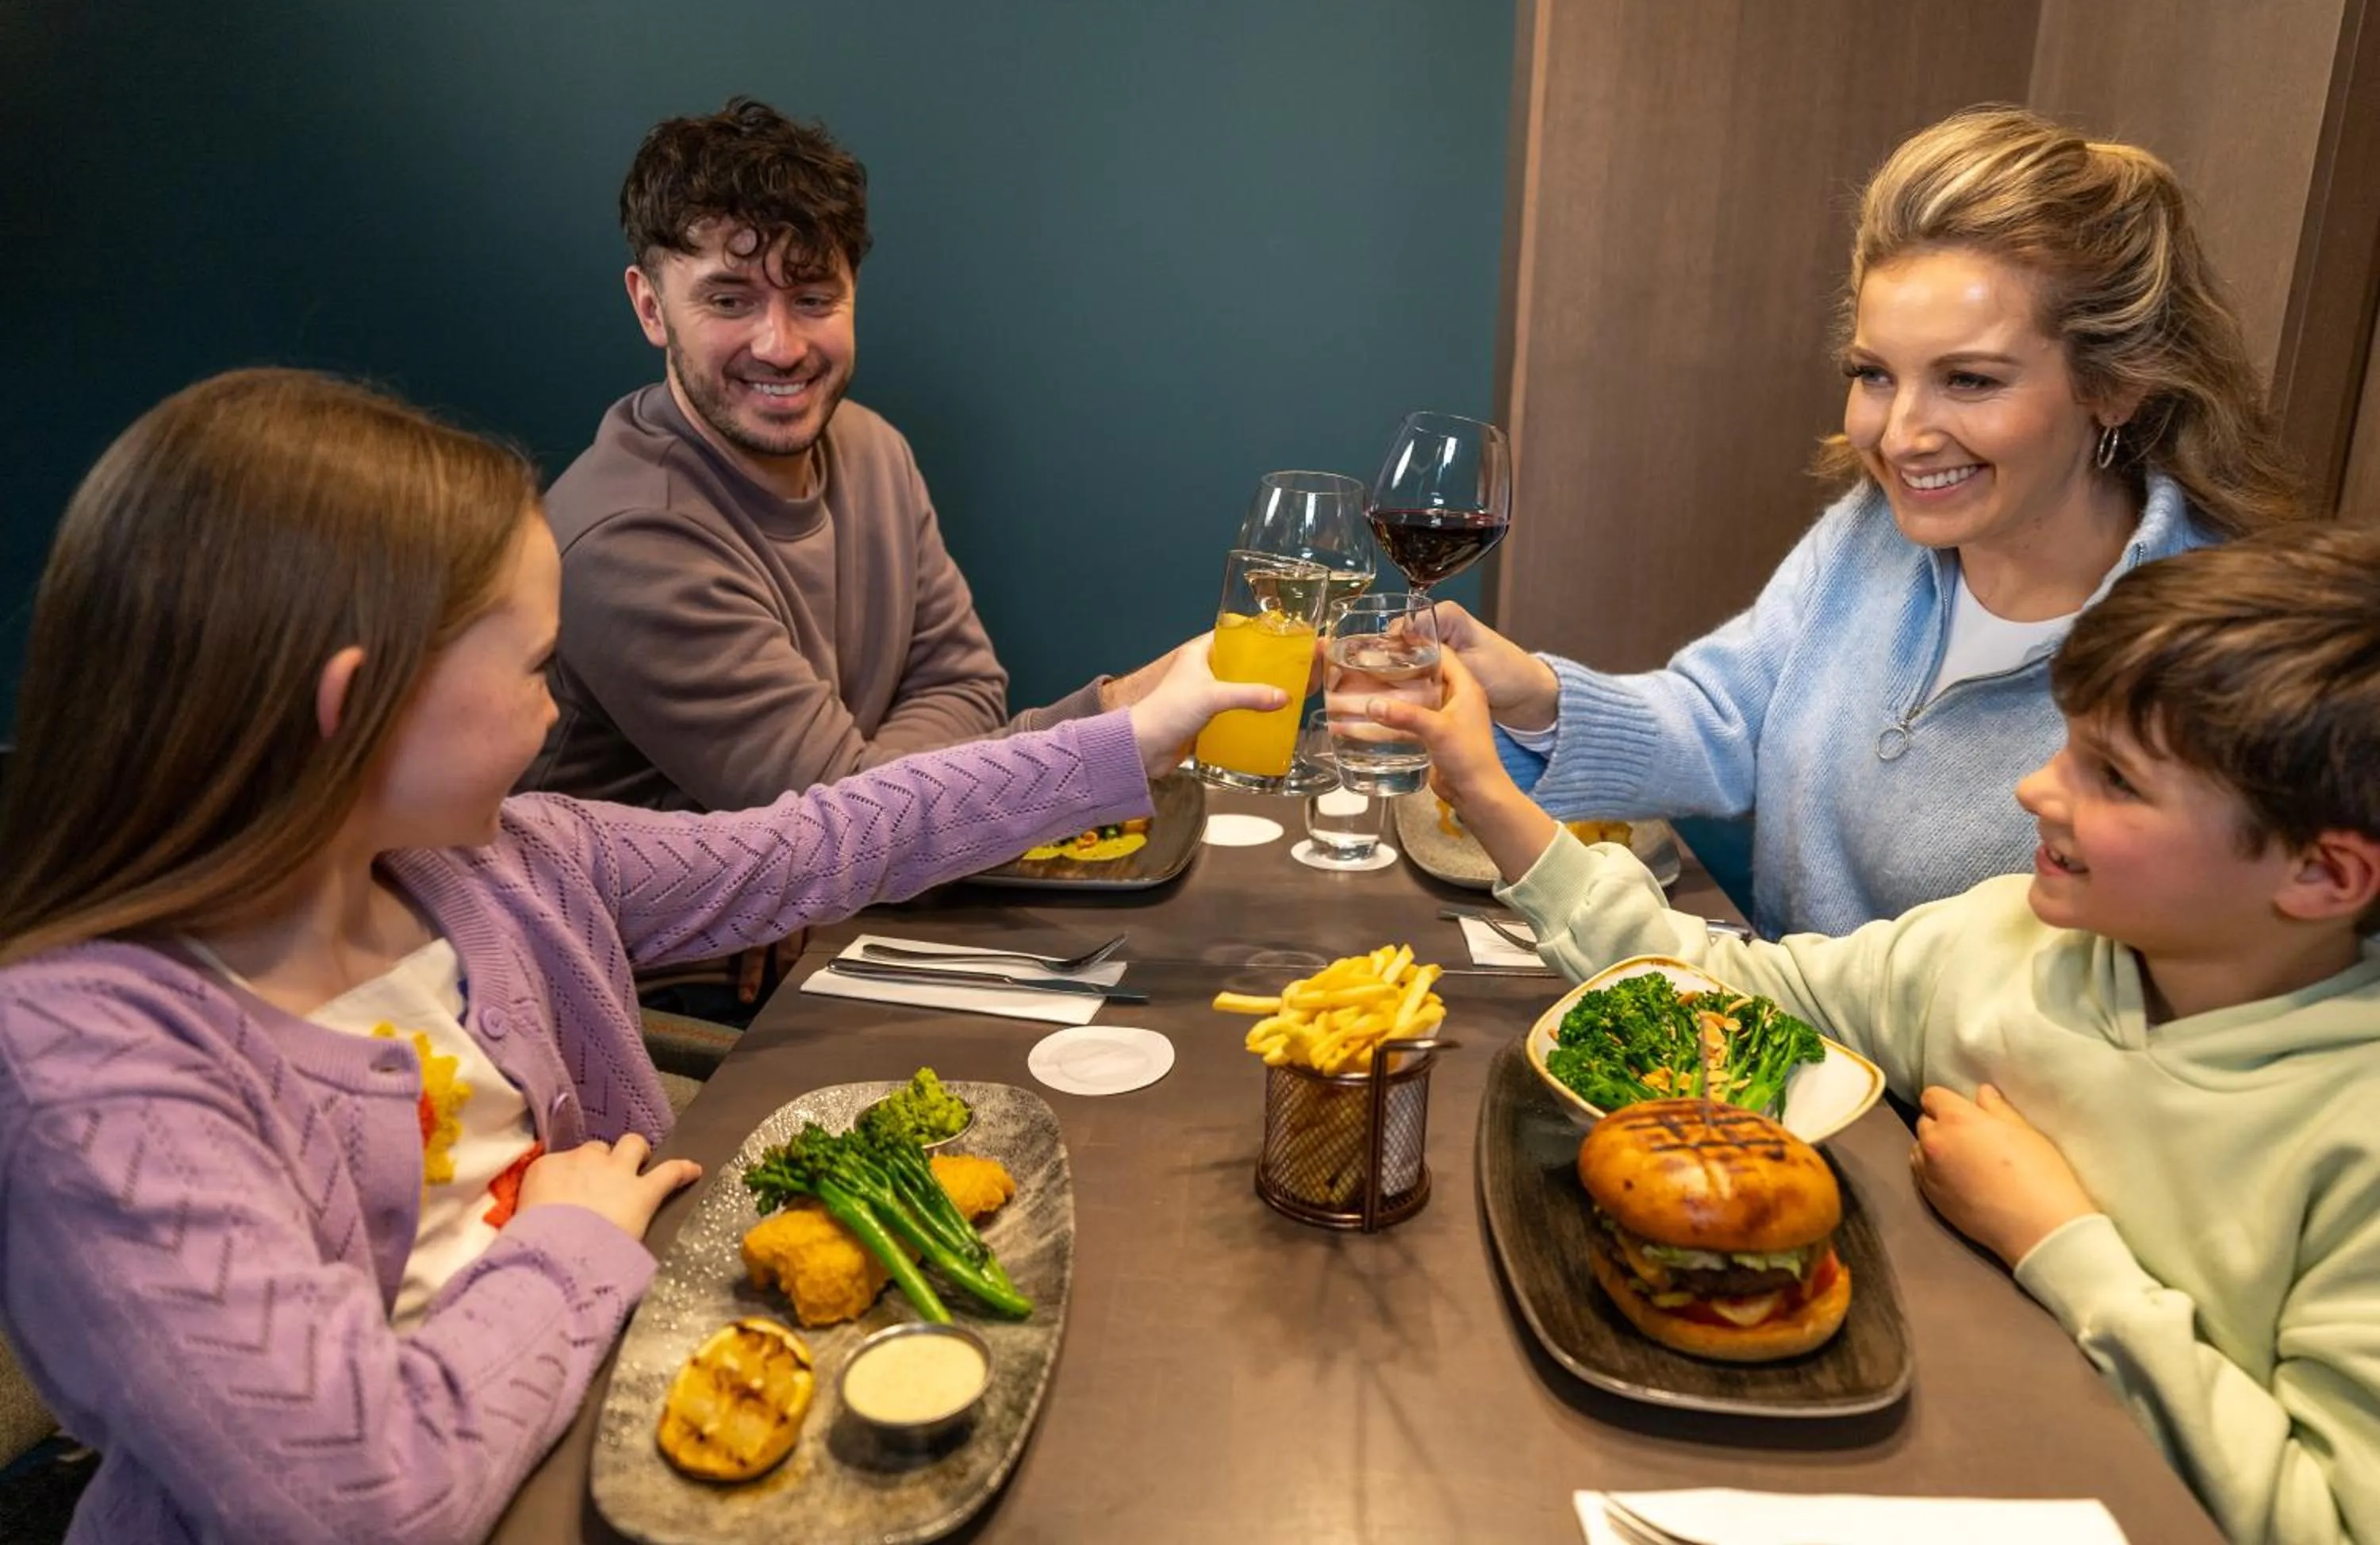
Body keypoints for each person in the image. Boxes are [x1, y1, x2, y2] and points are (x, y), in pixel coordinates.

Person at [0, 369, 1278, 1543]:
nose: (560, 712)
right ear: (356, 706)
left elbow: (818, 840)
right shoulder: (90, 1070)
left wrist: (1129, 738)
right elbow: (355, 1497)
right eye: (538, 667)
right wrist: (561, 1246)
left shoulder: (502, 861)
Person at [1381, 524, 2380, 1544]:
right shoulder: (1999, 937)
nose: (2036, 790)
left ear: (2324, 874)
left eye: (2114, 779)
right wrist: (1492, 798)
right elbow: (1725, 997)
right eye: (2066, 746)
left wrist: (2056, 1239)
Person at [1437, 105, 2301, 938]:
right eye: (1875, 373)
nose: (1899, 436)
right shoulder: (1873, 529)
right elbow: (1722, 721)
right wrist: (1526, 691)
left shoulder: (2211, 653)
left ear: (2116, 384)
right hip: (1773, 1044)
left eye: (1970, 380)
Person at [523, 96, 1176, 814]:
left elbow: (964, 686)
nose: (781, 346)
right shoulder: (628, 542)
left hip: (842, 910)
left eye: (811, 297)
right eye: (731, 301)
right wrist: (1131, 709)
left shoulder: (873, 450)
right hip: (646, 929)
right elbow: (850, 834)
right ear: (651, 307)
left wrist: (882, 781)